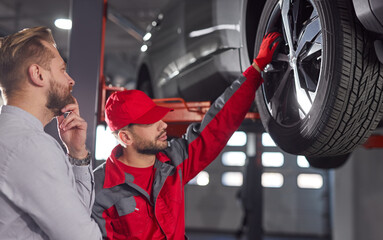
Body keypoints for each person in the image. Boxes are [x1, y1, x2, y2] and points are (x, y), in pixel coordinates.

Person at [92, 32, 281, 239]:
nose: (163, 125)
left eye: (159, 117)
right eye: (151, 122)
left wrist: (255, 70)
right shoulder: (99, 189)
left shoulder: (174, 161)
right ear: (125, 138)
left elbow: (218, 124)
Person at [0, 27, 102, 239]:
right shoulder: (30, 145)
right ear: (38, 74)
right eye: (62, 70)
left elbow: (75, 217)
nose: (70, 80)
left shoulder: (16, 137)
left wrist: (77, 153)